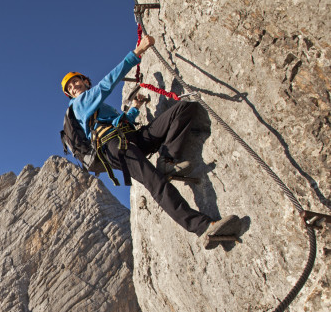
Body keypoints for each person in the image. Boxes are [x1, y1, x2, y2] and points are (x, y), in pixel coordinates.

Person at [61, 34, 240, 249]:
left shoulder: (97, 109)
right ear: (70, 95)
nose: (74, 87)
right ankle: (203, 227)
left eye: (75, 81)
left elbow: (121, 122)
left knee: (184, 109)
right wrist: (137, 53)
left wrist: (135, 108)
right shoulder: (79, 104)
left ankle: (167, 160)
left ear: (84, 80)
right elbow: (107, 85)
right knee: (156, 183)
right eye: (70, 88)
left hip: (130, 138)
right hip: (115, 148)